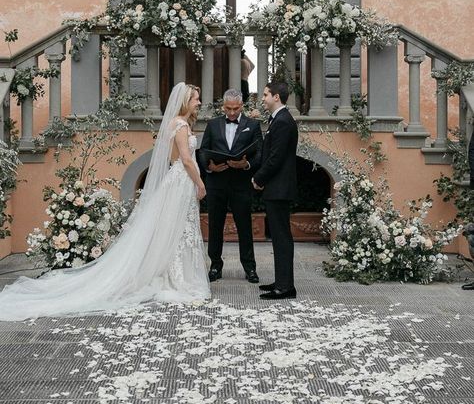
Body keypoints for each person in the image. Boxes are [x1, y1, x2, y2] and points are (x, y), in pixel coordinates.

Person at [0, 83, 211, 321]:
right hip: (182, 179)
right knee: (178, 229)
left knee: (177, 229)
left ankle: (175, 274)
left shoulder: (175, 123)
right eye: (195, 98)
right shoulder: (181, 125)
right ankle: (178, 277)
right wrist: (200, 183)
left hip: (179, 182)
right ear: (185, 100)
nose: (199, 102)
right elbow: (185, 159)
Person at [199, 89, 263, 283]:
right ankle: (215, 266)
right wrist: (209, 167)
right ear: (223, 106)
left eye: (236, 109)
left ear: (242, 106)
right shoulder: (212, 124)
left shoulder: (252, 126)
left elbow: (259, 153)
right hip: (216, 184)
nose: (232, 113)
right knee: (215, 226)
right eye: (228, 109)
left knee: (244, 227)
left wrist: (246, 164)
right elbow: (203, 151)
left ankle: (250, 268)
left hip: (241, 183)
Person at [252, 81, 298, 300]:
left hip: (279, 187)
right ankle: (282, 281)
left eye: (265, 95)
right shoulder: (278, 120)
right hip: (276, 187)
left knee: (281, 237)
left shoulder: (283, 121)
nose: (262, 98)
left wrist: (258, 178)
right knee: (279, 236)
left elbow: (276, 157)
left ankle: (285, 287)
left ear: (276, 97)